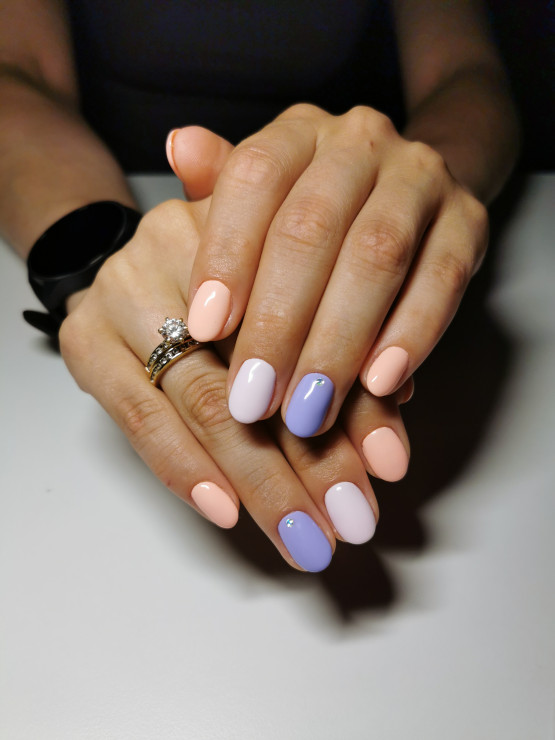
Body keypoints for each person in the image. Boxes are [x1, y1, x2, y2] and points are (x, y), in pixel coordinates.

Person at [0, 0, 519, 572]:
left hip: (359, 178)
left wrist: (412, 209)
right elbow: (17, 71)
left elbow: (466, 74)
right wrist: (111, 262)